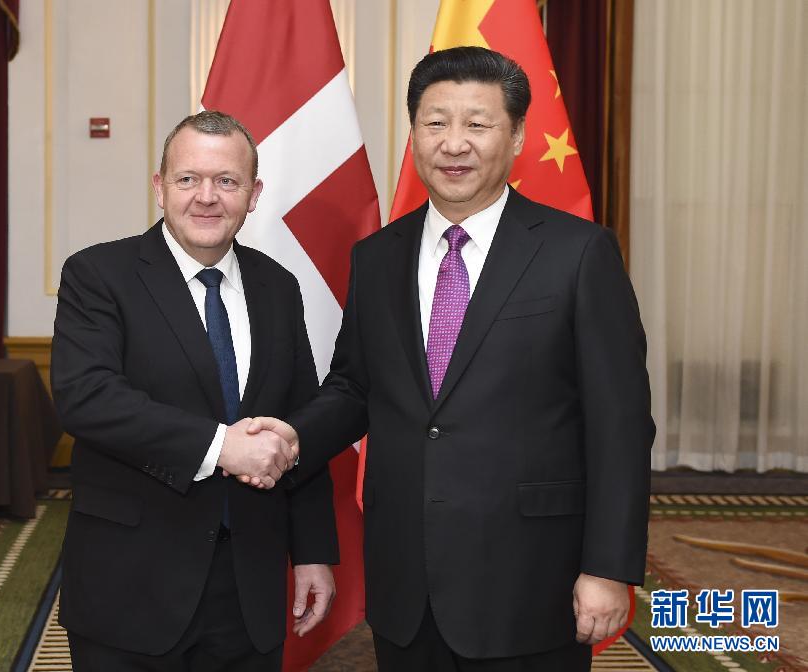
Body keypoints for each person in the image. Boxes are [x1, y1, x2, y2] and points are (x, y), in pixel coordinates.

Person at [247, 47, 654, 671]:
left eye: (477, 124)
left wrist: (607, 567)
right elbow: (355, 387)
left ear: (516, 137)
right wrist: (293, 436)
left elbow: (620, 424)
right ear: (413, 134)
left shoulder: (578, 253)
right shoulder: (378, 256)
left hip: (530, 577)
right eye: (435, 123)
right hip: (406, 580)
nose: (454, 143)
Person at [50, 110, 338, 671]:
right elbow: (87, 398)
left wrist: (312, 553)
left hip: (249, 585)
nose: (207, 197)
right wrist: (220, 446)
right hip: (131, 584)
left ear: (253, 195)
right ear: (160, 188)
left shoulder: (278, 286)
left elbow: (298, 422)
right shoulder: (98, 274)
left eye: (227, 181)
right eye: (188, 179)